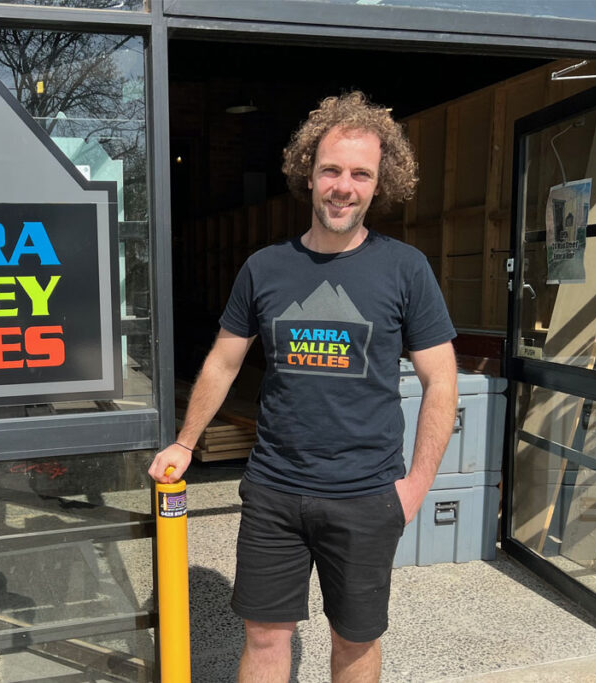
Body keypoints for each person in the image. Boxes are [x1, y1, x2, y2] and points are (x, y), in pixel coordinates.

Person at [148, 92, 458, 683]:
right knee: (265, 638)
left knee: (355, 641)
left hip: (367, 494)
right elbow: (222, 362)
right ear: (307, 176)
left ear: (378, 182)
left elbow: (440, 381)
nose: (344, 186)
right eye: (332, 170)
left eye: (360, 173)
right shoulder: (265, 268)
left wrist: (415, 487)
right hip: (274, 490)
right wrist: (186, 443)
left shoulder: (405, 268)